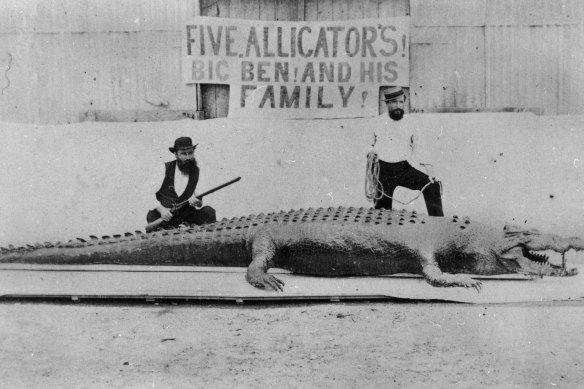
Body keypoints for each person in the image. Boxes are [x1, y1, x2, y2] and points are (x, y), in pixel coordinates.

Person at [365, 86, 444, 216]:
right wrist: (370, 152)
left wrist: (431, 172)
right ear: (387, 103)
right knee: (382, 213)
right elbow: (367, 144)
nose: (398, 106)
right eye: (394, 102)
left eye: (401, 102)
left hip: (403, 169)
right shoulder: (376, 122)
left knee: (432, 185)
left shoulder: (411, 123)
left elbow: (421, 148)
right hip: (382, 171)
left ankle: (438, 226)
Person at [146, 136, 217, 230]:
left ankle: (185, 226)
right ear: (176, 154)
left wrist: (197, 203)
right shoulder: (163, 168)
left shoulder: (197, 171)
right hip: (164, 216)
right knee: (155, 222)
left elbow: (200, 202)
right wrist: (161, 209)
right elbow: (146, 194)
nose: (188, 157)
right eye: (183, 154)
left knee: (209, 212)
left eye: (190, 153)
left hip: (184, 215)